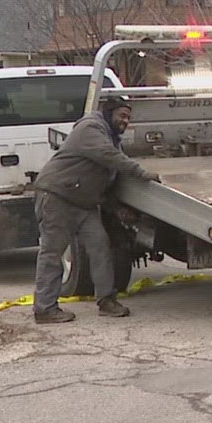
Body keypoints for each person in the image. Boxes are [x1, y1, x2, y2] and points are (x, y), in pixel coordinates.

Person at [31, 98, 161, 324]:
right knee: (52, 253)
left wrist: (116, 207)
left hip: (84, 203)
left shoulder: (111, 137)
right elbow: (108, 157)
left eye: (128, 117)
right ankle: (44, 308)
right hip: (58, 198)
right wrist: (142, 173)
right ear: (109, 113)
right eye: (122, 115)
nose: (125, 121)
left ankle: (106, 301)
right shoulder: (90, 128)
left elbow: (106, 179)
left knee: (100, 247)